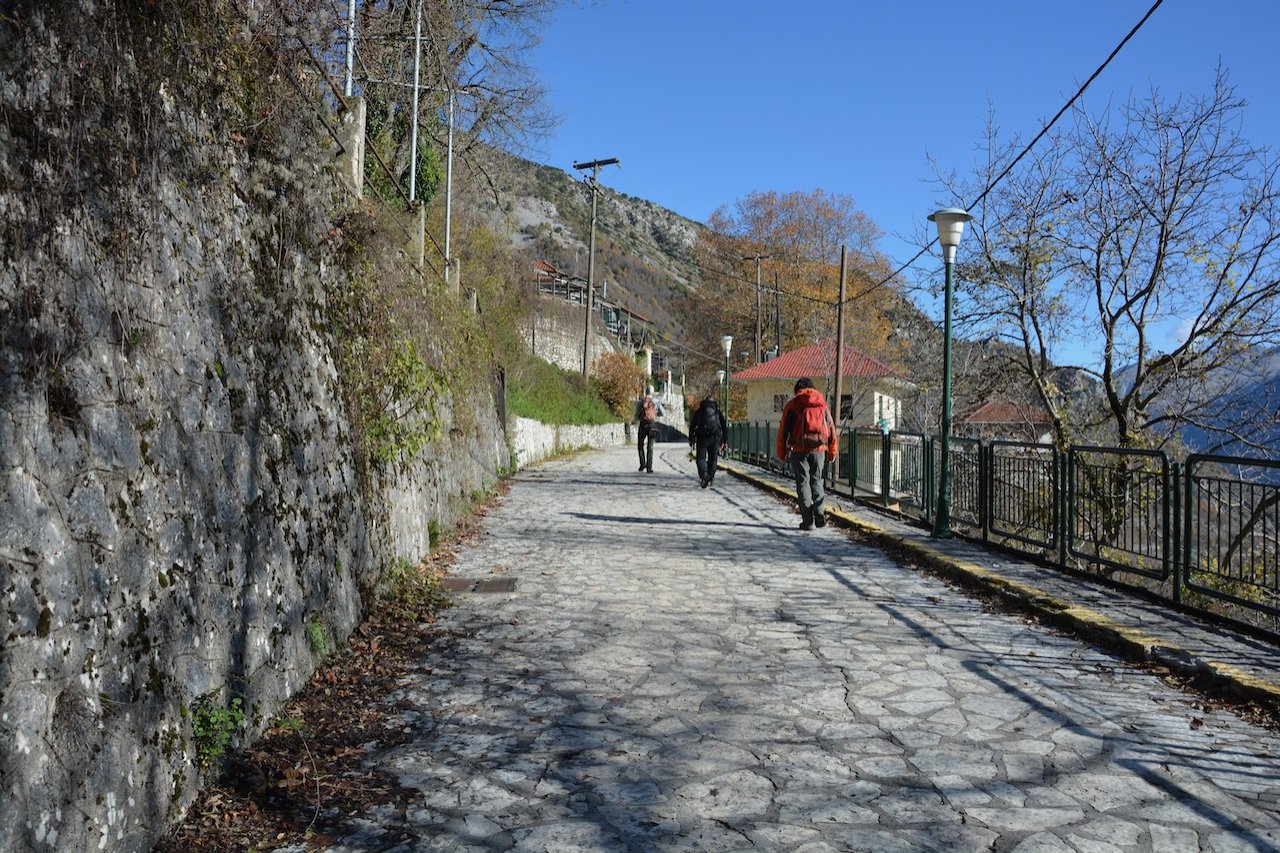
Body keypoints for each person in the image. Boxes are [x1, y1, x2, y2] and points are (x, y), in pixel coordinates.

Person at [776, 377, 838, 530]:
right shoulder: (821, 403)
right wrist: (832, 449)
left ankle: (808, 521)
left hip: (799, 450)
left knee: (803, 483)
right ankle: (819, 511)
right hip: (819, 449)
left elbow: (783, 431)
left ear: (797, 389)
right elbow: (831, 428)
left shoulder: (792, 405)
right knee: (817, 481)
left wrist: (782, 452)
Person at [688, 392, 728, 488]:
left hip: (702, 438)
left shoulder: (699, 411)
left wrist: (691, 438)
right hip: (715, 438)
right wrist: (725, 440)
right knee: (713, 459)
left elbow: (692, 425)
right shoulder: (717, 412)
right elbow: (724, 427)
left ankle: (704, 474)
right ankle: (710, 477)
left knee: (701, 458)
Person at [634, 392, 665, 472]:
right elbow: (663, 413)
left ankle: (642, 464)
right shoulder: (655, 401)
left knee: (640, 445)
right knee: (650, 447)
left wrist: (636, 420)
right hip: (652, 425)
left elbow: (637, 414)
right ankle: (649, 467)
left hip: (643, 425)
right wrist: (655, 414)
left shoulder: (641, 402)